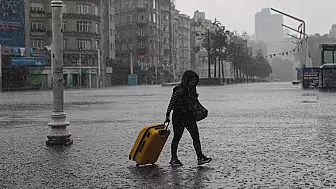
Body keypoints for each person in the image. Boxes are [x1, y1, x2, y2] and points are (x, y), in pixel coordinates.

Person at [165, 70, 212, 166]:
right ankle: (174, 158)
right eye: (192, 81)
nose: (194, 83)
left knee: (196, 137)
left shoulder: (192, 90)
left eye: (195, 81)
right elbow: (172, 102)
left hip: (190, 117)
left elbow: (194, 103)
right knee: (177, 138)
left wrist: (201, 110)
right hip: (178, 117)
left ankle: (200, 157)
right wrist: (167, 115)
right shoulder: (179, 90)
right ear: (187, 80)